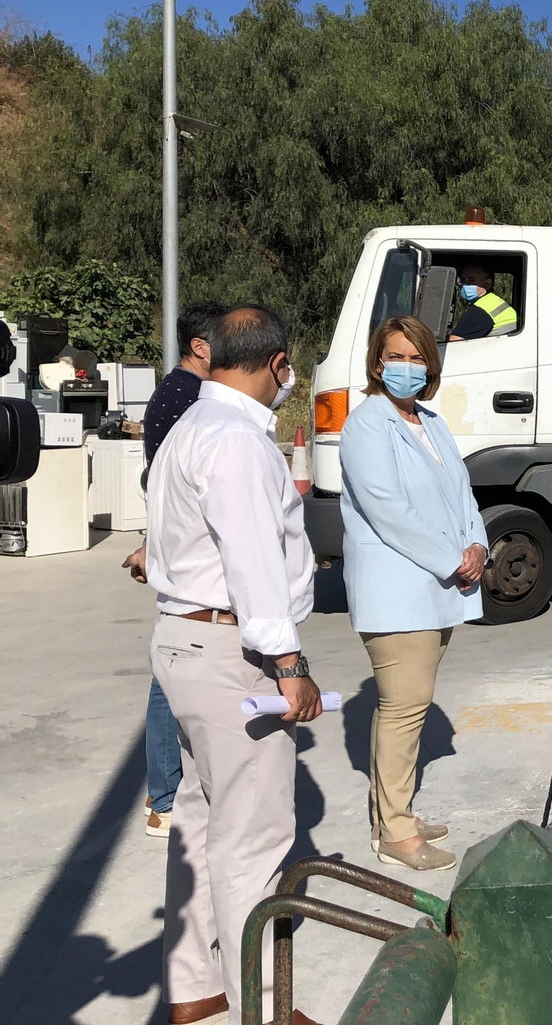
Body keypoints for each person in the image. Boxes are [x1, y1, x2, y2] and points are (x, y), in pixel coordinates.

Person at [145, 306, 321, 1025]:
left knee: (196, 817)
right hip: (230, 649)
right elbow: (253, 562)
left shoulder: (189, 425)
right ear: (278, 364)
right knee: (252, 835)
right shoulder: (239, 443)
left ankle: (194, 985)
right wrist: (287, 662)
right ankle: (267, 1005)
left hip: (181, 639)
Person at [339, 315, 487, 872]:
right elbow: (388, 511)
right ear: (378, 363)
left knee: (407, 707)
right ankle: (395, 833)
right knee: (404, 708)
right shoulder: (367, 426)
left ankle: (393, 813)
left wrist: (477, 545)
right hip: (399, 590)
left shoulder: (430, 421)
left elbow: (463, 494)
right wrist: (454, 558)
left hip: (438, 585)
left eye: (416, 356)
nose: (406, 366)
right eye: (395, 356)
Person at [125, 301, 229, 840]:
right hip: (184, 556)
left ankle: (169, 791)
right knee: (172, 670)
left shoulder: (185, 396)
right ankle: (164, 798)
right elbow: (172, 487)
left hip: (178, 551)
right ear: (201, 348)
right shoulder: (183, 399)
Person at [446, 262, 517, 340]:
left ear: (487, 284)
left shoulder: (481, 310)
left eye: (471, 280)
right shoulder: (493, 302)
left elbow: (455, 343)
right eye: (463, 280)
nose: (465, 285)